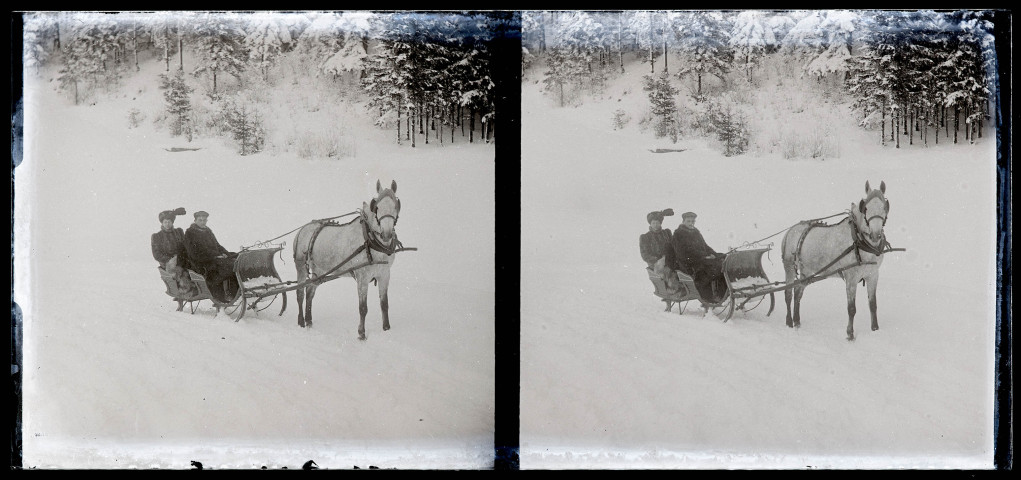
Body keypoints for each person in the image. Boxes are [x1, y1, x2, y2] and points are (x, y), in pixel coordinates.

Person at [671, 211, 727, 303]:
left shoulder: (696, 233)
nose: (691, 223)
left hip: (701, 260)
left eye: (693, 221)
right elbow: (682, 254)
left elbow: (706, 247)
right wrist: (703, 258)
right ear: (683, 221)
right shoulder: (678, 235)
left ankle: (722, 293)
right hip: (687, 264)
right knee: (710, 270)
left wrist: (716, 255)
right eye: (688, 221)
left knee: (722, 263)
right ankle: (708, 297)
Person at [184, 210, 239, 304]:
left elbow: (217, 246)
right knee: (228, 267)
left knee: (236, 260)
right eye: (200, 220)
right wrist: (215, 256)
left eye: (204, 220)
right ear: (195, 220)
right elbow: (194, 254)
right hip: (201, 262)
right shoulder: (190, 233)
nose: (202, 222)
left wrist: (227, 254)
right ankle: (218, 294)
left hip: (214, 259)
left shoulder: (208, 231)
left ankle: (234, 291)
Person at [152, 207, 199, 310]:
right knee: (181, 272)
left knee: (198, 267)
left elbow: (185, 246)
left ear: (172, 222)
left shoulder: (179, 232)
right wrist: (170, 258)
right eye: (165, 222)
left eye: (169, 222)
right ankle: (186, 292)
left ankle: (201, 288)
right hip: (169, 262)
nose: (167, 224)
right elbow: (156, 254)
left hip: (182, 258)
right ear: (162, 223)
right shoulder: (157, 236)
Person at [639, 208, 678, 291]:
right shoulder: (645, 237)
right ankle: (672, 289)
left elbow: (673, 246)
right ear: (650, 224)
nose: (656, 225)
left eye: (658, 223)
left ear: (660, 223)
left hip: (669, 259)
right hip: (656, 263)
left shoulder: (666, 233)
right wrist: (658, 259)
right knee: (668, 270)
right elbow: (645, 255)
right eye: (653, 223)